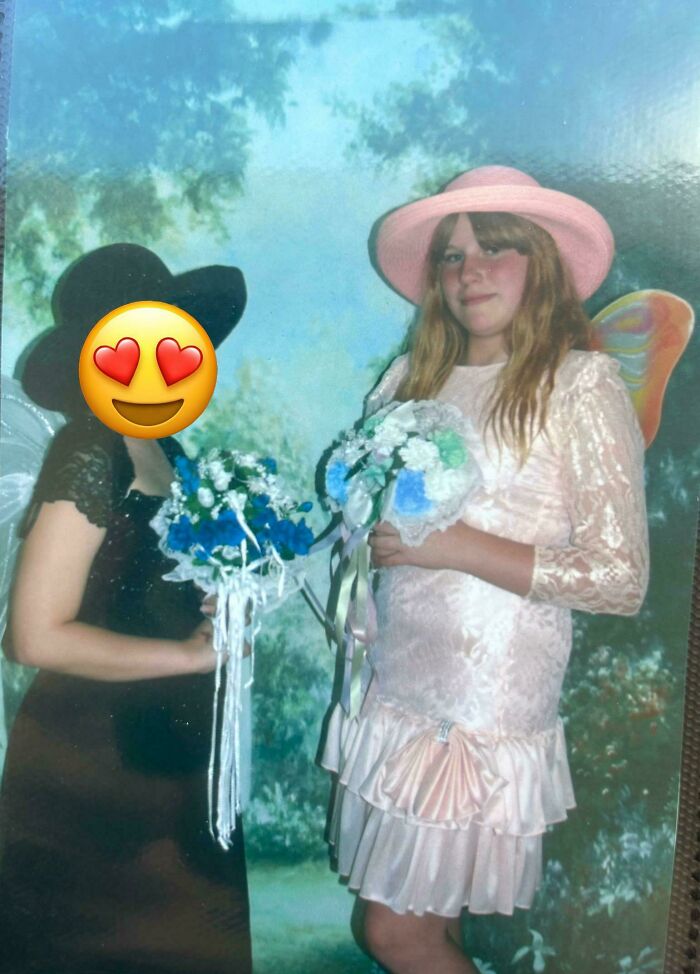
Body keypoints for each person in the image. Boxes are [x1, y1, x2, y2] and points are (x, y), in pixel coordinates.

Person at [321, 166, 649, 974]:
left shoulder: (578, 384)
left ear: (541, 264)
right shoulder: (407, 383)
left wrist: (449, 543)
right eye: (452, 256)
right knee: (433, 929)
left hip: (479, 707)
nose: (470, 272)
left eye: (496, 250)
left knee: (392, 934)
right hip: (397, 688)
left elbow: (618, 576)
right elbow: (369, 530)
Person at [0, 244, 253, 974]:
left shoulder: (170, 450)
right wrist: (185, 653)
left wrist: (206, 596)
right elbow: (36, 636)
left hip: (171, 741)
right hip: (92, 755)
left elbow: (139, 579)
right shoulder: (89, 449)